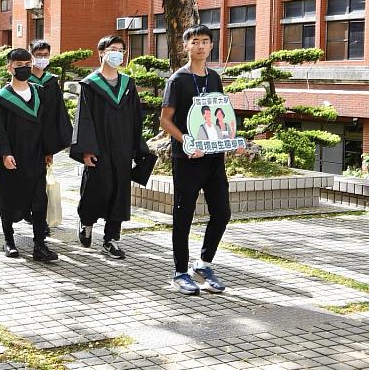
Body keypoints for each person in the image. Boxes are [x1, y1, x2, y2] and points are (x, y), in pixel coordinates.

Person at [160, 24, 241, 295]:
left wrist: (231, 140)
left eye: (205, 41)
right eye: (195, 41)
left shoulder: (214, 77)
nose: (201, 46)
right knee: (184, 215)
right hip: (187, 158)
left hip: (214, 158)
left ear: (211, 45)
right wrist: (187, 141)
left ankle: (203, 264)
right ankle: (180, 273)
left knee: (222, 212)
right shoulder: (178, 80)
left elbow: (220, 115)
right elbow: (165, 121)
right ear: (186, 46)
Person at [70, 35, 150, 260]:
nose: (117, 54)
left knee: (119, 193)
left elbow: (136, 117)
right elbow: (84, 118)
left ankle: (111, 239)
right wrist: (86, 149)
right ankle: (86, 221)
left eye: (121, 50)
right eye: (113, 49)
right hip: (99, 147)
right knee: (96, 189)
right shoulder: (90, 84)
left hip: (123, 147)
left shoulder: (128, 84)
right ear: (101, 53)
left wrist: (137, 148)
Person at [0, 48, 59, 262]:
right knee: (9, 198)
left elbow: (46, 124)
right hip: (12, 158)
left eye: (27, 65)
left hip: (35, 155)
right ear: (9, 67)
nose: (24, 69)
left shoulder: (39, 92)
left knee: (39, 201)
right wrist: (5, 153)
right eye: (19, 65)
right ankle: (9, 241)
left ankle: (39, 246)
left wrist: (48, 150)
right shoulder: (2, 98)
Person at [26, 39, 73, 231]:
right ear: (31, 56)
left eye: (46, 55)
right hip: (25, 138)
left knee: (40, 179)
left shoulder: (52, 82)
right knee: (27, 178)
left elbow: (57, 114)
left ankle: (40, 219)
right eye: (39, 55)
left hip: (45, 138)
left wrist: (51, 147)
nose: (42, 59)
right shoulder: (23, 80)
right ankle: (27, 210)